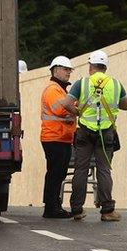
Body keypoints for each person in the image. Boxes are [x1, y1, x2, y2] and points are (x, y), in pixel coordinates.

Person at [63, 49, 127, 222]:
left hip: (84, 131)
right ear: (105, 67)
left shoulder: (82, 83)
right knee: (104, 170)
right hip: (106, 132)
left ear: (90, 66)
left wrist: (77, 112)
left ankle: (77, 209)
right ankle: (107, 210)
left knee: (81, 169)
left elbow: (66, 103)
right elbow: (125, 105)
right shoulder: (115, 84)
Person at [40, 56, 77, 218]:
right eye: (66, 69)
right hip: (54, 138)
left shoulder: (61, 90)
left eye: (70, 70)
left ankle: (54, 205)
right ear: (56, 70)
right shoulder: (53, 89)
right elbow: (60, 109)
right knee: (55, 173)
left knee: (58, 173)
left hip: (61, 138)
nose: (69, 72)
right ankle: (51, 208)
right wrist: (75, 107)